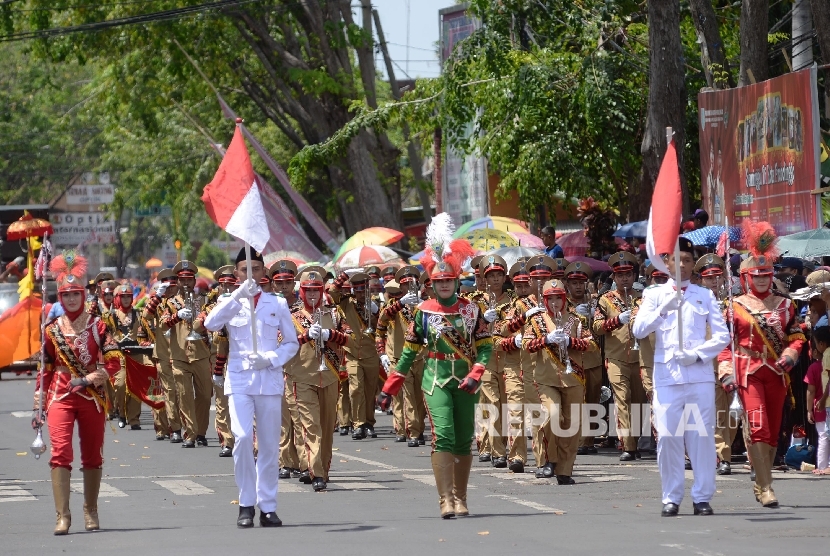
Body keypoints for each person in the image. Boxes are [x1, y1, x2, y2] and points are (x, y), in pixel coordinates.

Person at [377, 213, 492, 519]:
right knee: (443, 435)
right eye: (438, 281)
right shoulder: (423, 313)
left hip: (466, 381)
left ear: (456, 280)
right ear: (432, 283)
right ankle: (446, 498)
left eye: (448, 280)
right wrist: (389, 388)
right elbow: (408, 353)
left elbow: (485, 348)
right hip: (435, 379)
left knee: (464, 437)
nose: (443, 285)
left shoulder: (471, 310)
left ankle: (462, 496)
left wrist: (476, 373)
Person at [632, 237, 730, 517]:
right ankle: (671, 497)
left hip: (698, 377)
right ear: (668, 262)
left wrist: (699, 354)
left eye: (688, 260)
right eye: (678, 259)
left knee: (700, 438)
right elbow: (638, 330)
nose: (683, 265)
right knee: (668, 438)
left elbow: (722, 336)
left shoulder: (704, 295)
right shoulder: (654, 295)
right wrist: (664, 310)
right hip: (667, 378)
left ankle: (701, 497)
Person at [204, 247, 299, 528]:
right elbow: (210, 323)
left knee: (269, 446)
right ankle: (246, 503)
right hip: (240, 380)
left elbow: (291, 343)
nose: (251, 275)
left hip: (268, 379)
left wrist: (271, 358)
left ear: (264, 273)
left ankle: (267, 506)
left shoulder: (276, 303)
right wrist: (236, 296)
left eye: (256, 269)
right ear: (237, 274)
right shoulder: (228, 300)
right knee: (243, 437)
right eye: (245, 270)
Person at [717, 221, 805, 508]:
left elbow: (796, 335)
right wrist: (726, 372)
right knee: (758, 426)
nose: (763, 279)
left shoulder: (785, 304)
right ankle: (765, 487)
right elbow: (724, 345)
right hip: (748, 372)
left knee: (774, 429)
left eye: (767, 274)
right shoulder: (735, 306)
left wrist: (792, 353)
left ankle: (761, 479)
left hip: (778, 374)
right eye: (757, 275)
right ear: (745, 277)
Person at [32, 251, 121, 534]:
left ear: (83, 296)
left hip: (91, 397)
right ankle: (63, 515)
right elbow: (44, 370)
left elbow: (114, 360)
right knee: (60, 453)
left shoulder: (99, 326)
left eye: (76, 294)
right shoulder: (51, 330)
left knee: (93, 455)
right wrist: (39, 405)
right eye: (66, 294)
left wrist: (91, 378)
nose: (71, 299)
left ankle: (91, 511)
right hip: (60, 395)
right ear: (60, 297)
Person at [522, 278, 596, 484]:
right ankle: (548, 460)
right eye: (550, 299)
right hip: (546, 378)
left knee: (571, 425)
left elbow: (592, 345)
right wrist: (546, 340)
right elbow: (526, 345)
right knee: (551, 415)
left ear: (564, 299)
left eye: (558, 298)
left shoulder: (576, 320)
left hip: (573, 378)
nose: (554, 303)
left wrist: (571, 341)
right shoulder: (536, 321)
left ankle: (565, 470)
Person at [285, 267, 352, 491]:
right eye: (308, 290)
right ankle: (317, 473)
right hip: (302, 376)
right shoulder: (291, 316)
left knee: (326, 426)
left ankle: (319, 467)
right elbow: (279, 342)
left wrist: (330, 335)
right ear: (301, 291)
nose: (312, 294)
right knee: (310, 426)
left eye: (316, 289)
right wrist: (305, 337)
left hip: (330, 376)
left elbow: (351, 339)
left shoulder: (333, 314)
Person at [593, 251, 645, 460]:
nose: (625, 278)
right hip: (615, 357)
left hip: (640, 357)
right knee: (622, 399)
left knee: (640, 402)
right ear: (613, 277)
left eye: (628, 274)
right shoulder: (605, 300)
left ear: (634, 276)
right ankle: (628, 446)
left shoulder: (642, 298)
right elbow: (596, 327)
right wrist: (617, 321)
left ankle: (636, 440)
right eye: (620, 274)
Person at [163, 260, 212, 448]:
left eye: (189, 279)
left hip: (201, 353)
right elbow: (162, 325)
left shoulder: (204, 301)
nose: (185, 283)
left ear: (194, 281)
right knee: (184, 395)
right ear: (177, 282)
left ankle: (201, 432)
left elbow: (211, 324)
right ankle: (190, 434)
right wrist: (177, 316)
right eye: (182, 280)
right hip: (179, 354)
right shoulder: (170, 302)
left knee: (205, 396)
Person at [328, 271, 380, 440]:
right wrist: (343, 275)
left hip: (371, 352)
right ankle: (358, 424)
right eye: (357, 291)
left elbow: (383, 324)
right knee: (355, 388)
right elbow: (332, 292)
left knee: (370, 390)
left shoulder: (375, 304)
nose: (360, 294)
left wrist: (376, 310)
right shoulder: (347, 303)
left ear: (368, 290)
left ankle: (369, 423)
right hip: (352, 352)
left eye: (363, 291)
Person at [564, 261, 602, 455]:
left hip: (593, 356)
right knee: (576, 400)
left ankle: (589, 440)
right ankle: (576, 439)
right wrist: (573, 315)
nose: (578, 286)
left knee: (593, 399)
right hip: (574, 357)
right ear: (567, 285)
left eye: (581, 282)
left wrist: (593, 315)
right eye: (574, 283)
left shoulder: (595, 302)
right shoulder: (563, 302)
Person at [142, 269, 184, 442]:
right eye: (167, 285)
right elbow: (146, 315)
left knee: (183, 392)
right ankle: (175, 429)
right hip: (163, 352)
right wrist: (157, 296)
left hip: (182, 351)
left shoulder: (183, 301)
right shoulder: (156, 302)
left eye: (173, 284)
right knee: (170, 391)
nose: (171, 288)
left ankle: (189, 428)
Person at [476, 255, 510, 468]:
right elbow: (465, 329)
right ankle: (497, 451)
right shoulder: (476, 300)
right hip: (485, 359)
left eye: (499, 275)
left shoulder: (513, 300)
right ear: (485, 279)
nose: (495, 279)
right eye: (491, 276)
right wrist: (482, 319)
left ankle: (493, 444)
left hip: (507, 359)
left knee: (504, 407)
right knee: (492, 404)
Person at [204, 265, 237, 457]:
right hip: (217, 357)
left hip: (238, 357)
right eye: (223, 285)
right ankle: (227, 440)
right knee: (222, 402)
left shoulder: (242, 304)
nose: (227, 288)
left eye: (230, 284)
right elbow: (200, 324)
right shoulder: (211, 306)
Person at [805, 326, 830, 474]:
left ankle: (822, 466)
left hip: (824, 405)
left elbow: (811, 390)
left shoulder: (817, 365)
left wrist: (810, 409)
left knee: (823, 436)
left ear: (820, 345)